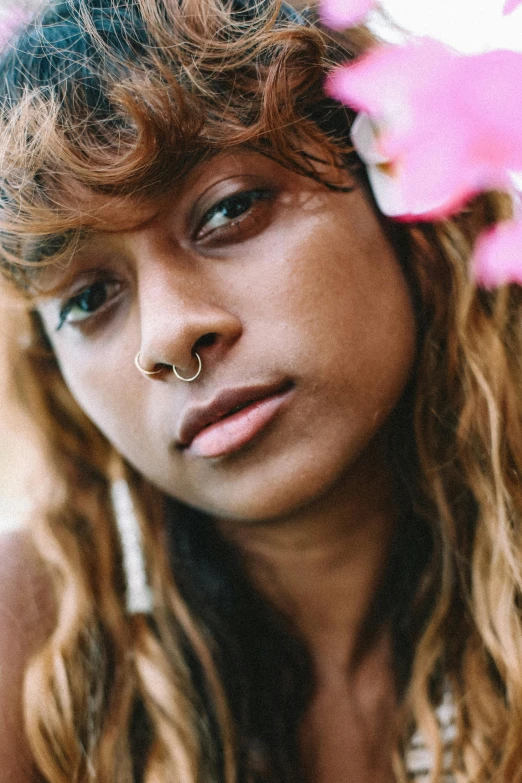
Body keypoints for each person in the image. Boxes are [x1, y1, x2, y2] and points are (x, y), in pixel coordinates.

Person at [0, 0, 517, 781]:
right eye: (88, 298)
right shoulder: (31, 647)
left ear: (396, 183)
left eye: (230, 209)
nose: (166, 336)